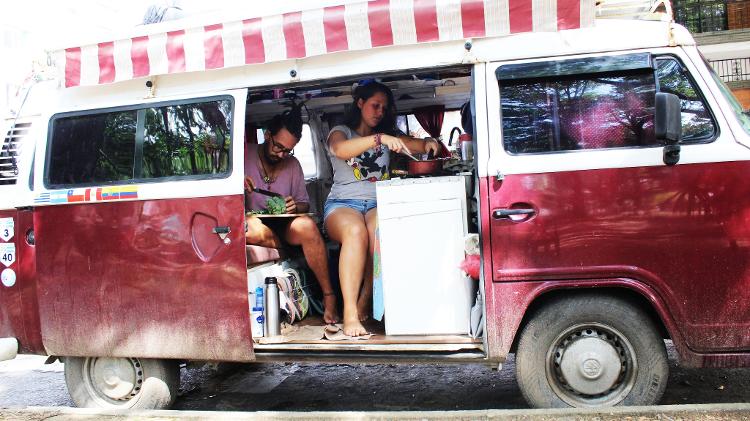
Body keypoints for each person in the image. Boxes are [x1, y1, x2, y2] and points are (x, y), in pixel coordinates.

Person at [324, 81, 440, 336]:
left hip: (378, 203)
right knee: (355, 233)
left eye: (384, 108)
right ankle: (350, 314)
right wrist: (380, 139)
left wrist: (430, 141)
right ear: (360, 103)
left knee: (379, 230)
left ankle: (367, 297)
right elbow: (340, 150)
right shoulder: (340, 131)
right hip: (343, 204)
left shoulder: (389, 135)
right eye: (375, 105)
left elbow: (416, 145)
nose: (379, 112)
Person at [244, 108, 338, 324]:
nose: (281, 154)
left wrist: (294, 206)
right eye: (278, 147)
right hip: (254, 223)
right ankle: (285, 250)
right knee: (246, 226)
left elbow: (305, 204)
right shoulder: (243, 156)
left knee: (307, 226)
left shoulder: (292, 165)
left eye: (288, 150)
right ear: (267, 136)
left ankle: (329, 296)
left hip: (284, 226)